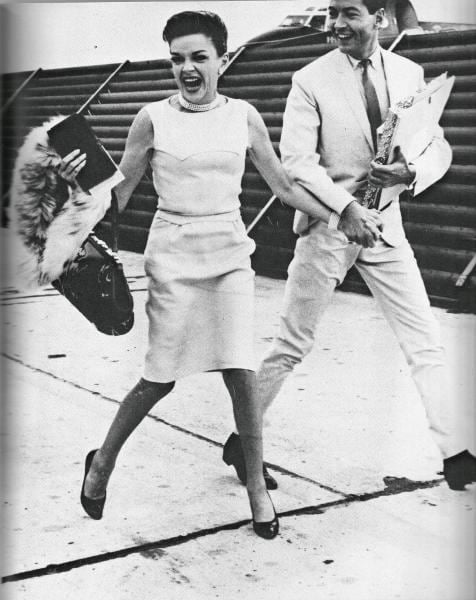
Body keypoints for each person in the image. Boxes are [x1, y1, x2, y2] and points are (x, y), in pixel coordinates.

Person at [59, 11, 382, 539]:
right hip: (173, 256)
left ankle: (255, 486)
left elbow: (283, 186)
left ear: (222, 59)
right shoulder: (150, 118)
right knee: (160, 377)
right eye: (177, 59)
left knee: (241, 372)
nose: (186, 68)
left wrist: (341, 214)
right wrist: (79, 186)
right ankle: (102, 463)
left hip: (230, 251)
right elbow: (118, 197)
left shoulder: (244, 115)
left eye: (198, 57)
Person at [223, 0, 476, 492]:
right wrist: (345, 210)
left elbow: (433, 144)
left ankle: (459, 454)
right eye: (334, 12)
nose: (337, 23)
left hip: (386, 227)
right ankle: (242, 441)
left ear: (379, 18)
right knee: (292, 344)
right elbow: (298, 163)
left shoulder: (408, 71)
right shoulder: (310, 79)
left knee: (424, 340)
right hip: (328, 227)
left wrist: (412, 171)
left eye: (351, 13)